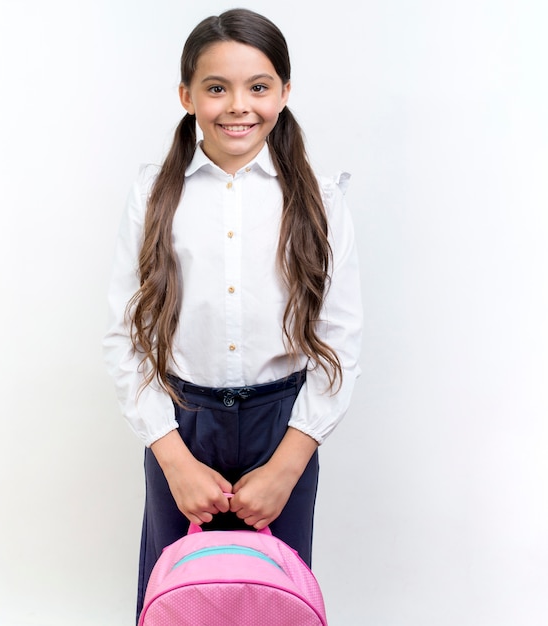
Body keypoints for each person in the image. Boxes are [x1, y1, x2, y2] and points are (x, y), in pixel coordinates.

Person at [103, 8, 362, 622]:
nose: (238, 105)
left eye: (259, 86)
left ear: (285, 92)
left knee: (273, 595)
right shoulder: (152, 194)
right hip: (182, 422)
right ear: (187, 96)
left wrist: (288, 464)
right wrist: (173, 457)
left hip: (284, 423)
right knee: (178, 593)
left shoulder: (321, 199)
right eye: (216, 88)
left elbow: (339, 341)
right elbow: (125, 335)